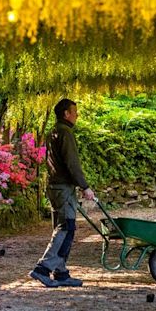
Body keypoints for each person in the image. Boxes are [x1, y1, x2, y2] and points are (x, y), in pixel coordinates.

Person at [29, 99, 95, 287]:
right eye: (74, 111)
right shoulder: (65, 133)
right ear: (66, 113)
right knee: (66, 227)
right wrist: (84, 186)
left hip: (55, 186)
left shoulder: (53, 132)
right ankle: (43, 269)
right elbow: (72, 163)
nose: (77, 115)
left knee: (63, 226)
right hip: (63, 187)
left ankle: (61, 273)